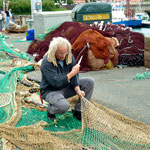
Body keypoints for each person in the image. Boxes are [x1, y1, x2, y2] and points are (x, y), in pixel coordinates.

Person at [40, 37, 94, 121]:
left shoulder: (68, 56)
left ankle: (78, 110)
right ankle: (51, 110)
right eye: (61, 53)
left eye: (66, 52)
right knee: (63, 106)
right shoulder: (47, 62)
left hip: (65, 87)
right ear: (54, 51)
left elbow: (74, 77)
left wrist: (78, 91)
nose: (64, 56)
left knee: (89, 82)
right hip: (51, 91)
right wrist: (72, 72)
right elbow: (56, 83)